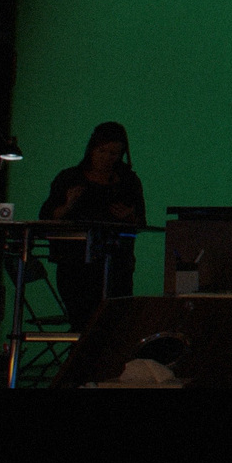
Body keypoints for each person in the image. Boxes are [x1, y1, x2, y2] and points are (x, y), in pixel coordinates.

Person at [38, 121, 146, 329]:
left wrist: (130, 216)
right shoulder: (70, 178)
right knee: (83, 321)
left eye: (114, 154)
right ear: (92, 149)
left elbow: (140, 222)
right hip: (75, 265)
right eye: (102, 151)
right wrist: (67, 206)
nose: (107, 158)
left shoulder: (128, 181)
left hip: (117, 265)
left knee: (115, 323)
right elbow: (46, 218)